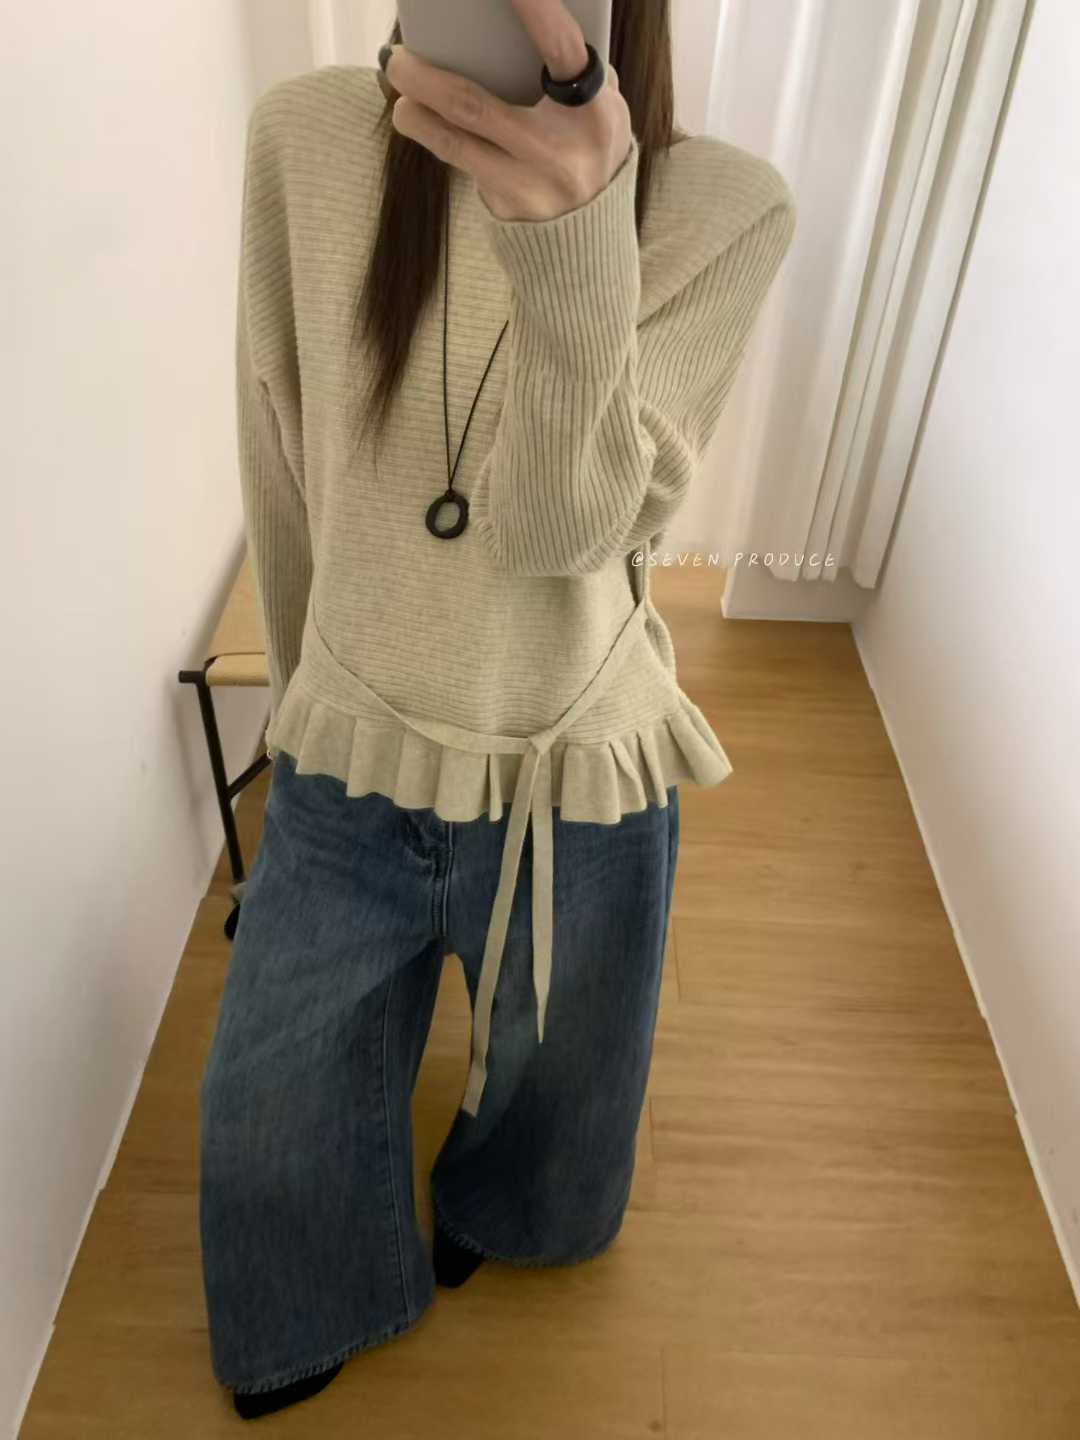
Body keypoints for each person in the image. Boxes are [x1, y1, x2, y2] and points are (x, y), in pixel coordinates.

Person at [199, 0, 796, 1420]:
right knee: (262, 1125)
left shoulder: (723, 209)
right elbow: (280, 460)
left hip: (572, 766)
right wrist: (307, 701)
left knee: (557, 1117)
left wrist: (577, 237)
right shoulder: (304, 141)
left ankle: (510, 1208)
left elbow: (564, 529)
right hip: (355, 747)